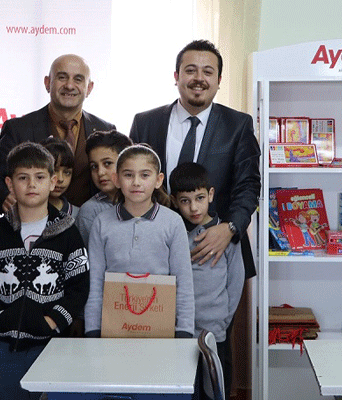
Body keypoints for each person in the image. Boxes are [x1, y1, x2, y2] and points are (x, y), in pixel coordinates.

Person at [128, 39, 260, 276]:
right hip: (154, 248)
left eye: (208, 72)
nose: (199, 78)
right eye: (190, 70)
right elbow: (131, 182)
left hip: (213, 249)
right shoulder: (145, 123)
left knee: (215, 313)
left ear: (219, 81)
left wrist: (228, 229)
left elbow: (248, 185)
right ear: (176, 76)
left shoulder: (238, 125)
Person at [0, 142, 89, 400]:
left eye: (39, 177)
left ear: (52, 181)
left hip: (51, 344)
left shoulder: (68, 234)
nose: (31, 185)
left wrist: (54, 321)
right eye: (23, 178)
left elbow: (79, 287)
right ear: (10, 184)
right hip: (6, 346)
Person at [84, 145, 194, 338]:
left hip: (161, 331)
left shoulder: (173, 222)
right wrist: (92, 330)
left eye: (145, 175)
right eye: (128, 175)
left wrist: (184, 331)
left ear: (159, 180)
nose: (136, 182)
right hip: (113, 330)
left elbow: (184, 282)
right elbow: (95, 282)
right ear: (116, 179)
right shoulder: (101, 223)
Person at [0, 54, 115, 213]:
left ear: (89, 88)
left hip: (90, 230)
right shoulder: (18, 129)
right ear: (47, 83)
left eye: (78, 79)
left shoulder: (106, 130)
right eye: (62, 77)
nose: (69, 85)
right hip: (33, 229)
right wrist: (6, 199)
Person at [169, 162, 243, 397]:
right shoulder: (174, 233)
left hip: (214, 329)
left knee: (214, 389)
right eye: (185, 201)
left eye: (199, 198)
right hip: (180, 328)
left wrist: (223, 318)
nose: (193, 207)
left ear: (210, 195)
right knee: (186, 388)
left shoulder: (225, 236)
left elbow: (235, 282)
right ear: (174, 201)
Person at [75, 130, 133, 243]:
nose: (100, 172)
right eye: (94, 166)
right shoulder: (90, 212)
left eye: (107, 163)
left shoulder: (147, 200)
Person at [41, 137, 78, 219]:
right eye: (54, 171)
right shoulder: (24, 213)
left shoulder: (77, 215)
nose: (60, 179)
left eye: (67, 172)